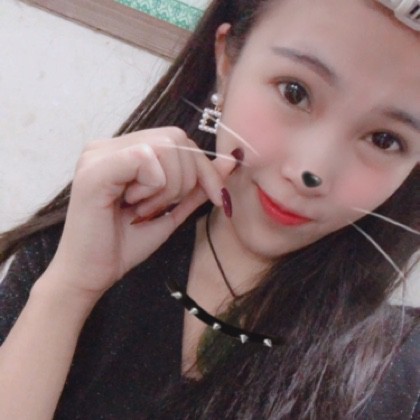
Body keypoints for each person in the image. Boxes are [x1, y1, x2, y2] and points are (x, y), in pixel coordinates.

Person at [0, 0, 419, 418]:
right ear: (227, 60)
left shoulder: (401, 366)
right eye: (295, 92)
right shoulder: (79, 247)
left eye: (385, 140)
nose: (311, 172)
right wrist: (70, 289)